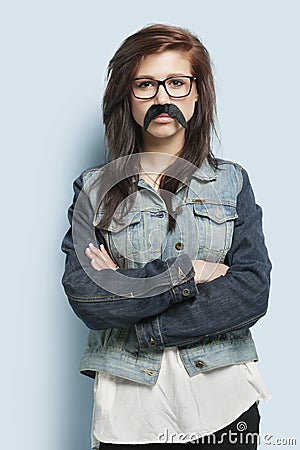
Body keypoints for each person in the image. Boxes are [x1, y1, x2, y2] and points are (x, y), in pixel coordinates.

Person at [61, 24, 272, 450]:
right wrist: (191, 272)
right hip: (128, 411)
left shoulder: (231, 182)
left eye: (177, 83)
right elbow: (90, 299)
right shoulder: (93, 189)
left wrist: (136, 307)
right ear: (128, 97)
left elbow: (251, 291)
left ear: (198, 94)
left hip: (224, 403)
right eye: (146, 85)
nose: (162, 98)